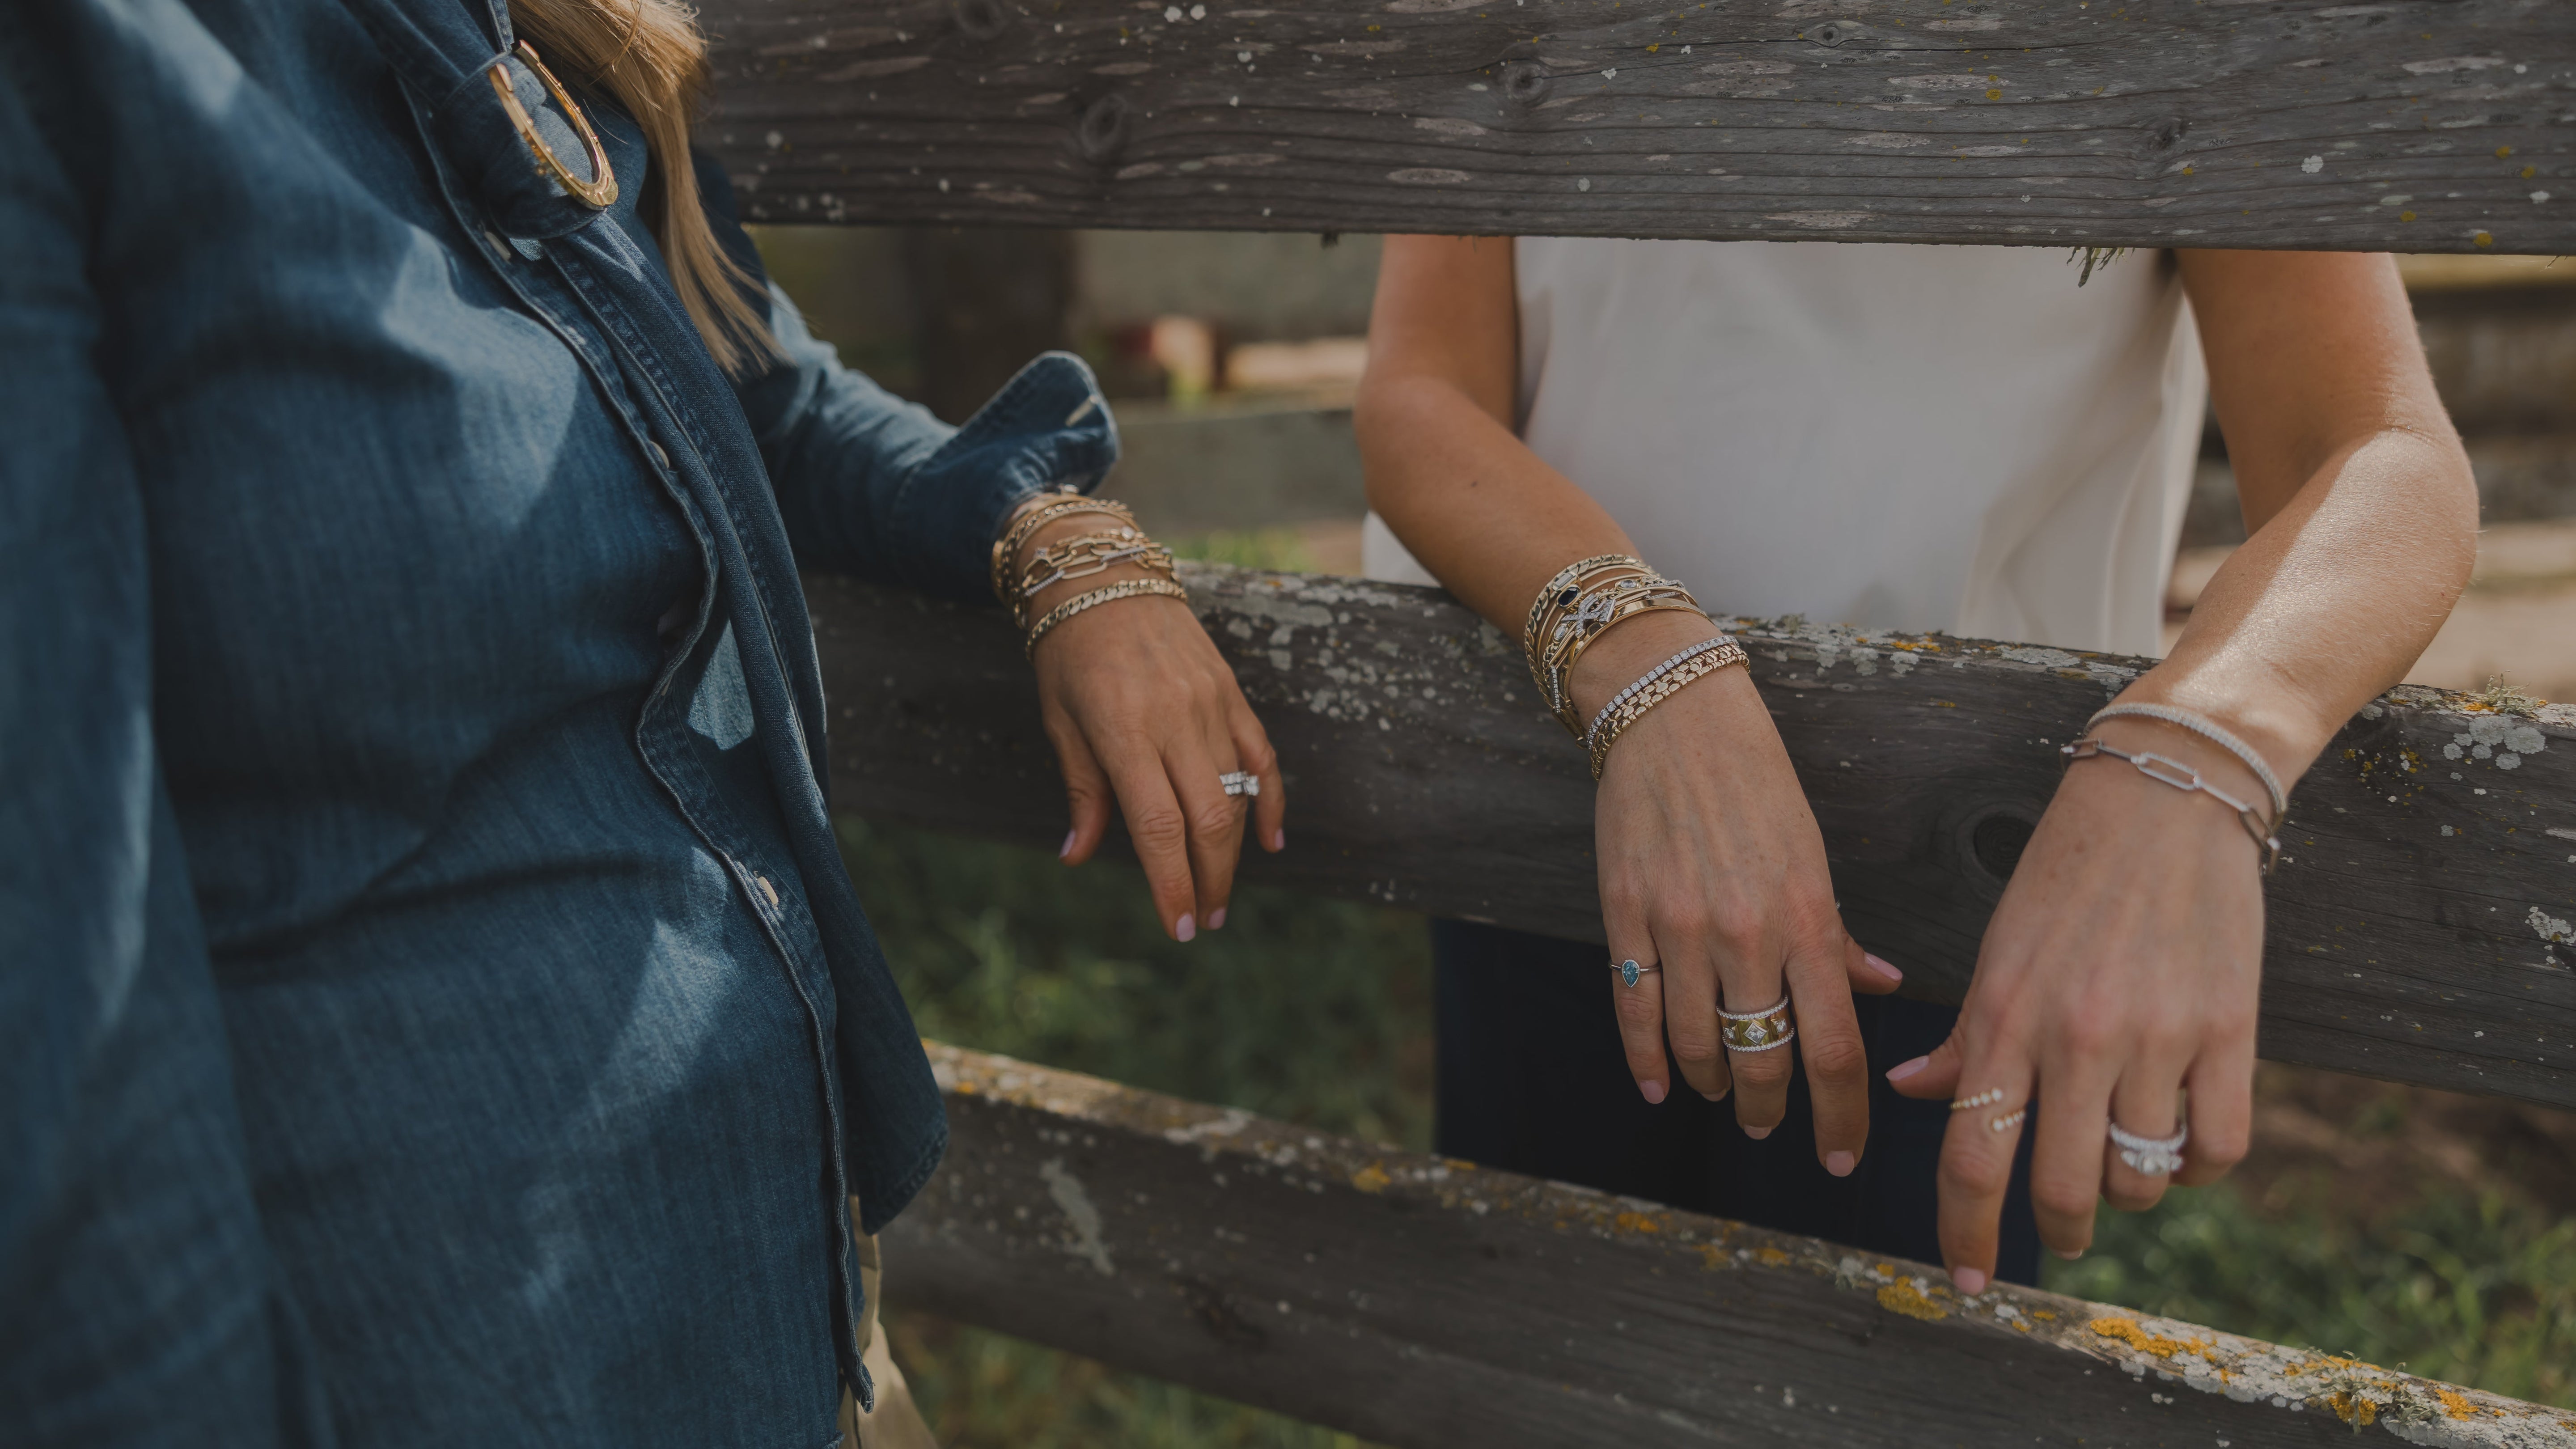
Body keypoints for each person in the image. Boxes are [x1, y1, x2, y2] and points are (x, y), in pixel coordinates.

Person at [0, 1, 1282, 1445]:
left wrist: (1055, 540)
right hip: (440, 1338)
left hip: (779, 1283)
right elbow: (57, 1005)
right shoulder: (74, 66)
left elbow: (755, 382)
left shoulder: (523, 26)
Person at [1355, 236, 2475, 1293]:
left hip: (1960, 885)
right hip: (1557, 798)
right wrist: (1647, 667)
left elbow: (2378, 453)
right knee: (1540, 1357)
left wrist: (2199, 747)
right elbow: (1422, 391)